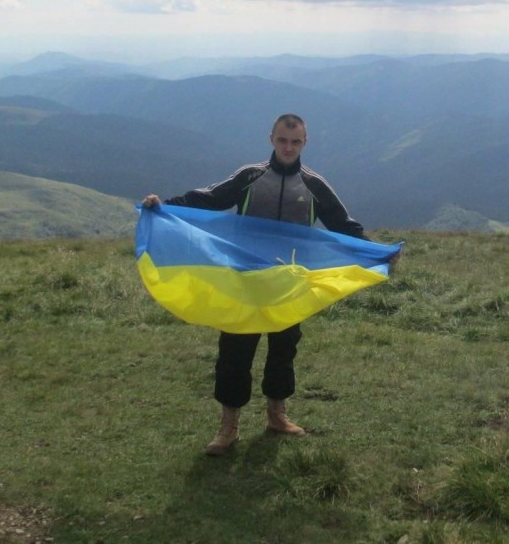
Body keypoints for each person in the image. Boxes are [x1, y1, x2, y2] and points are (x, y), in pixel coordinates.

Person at [142, 113, 371, 456]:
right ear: (272, 139)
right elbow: (209, 198)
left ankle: (277, 417)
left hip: (290, 282)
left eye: (295, 141)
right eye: (282, 140)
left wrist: (375, 251)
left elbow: (343, 225)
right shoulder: (250, 176)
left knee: (284, 349)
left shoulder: (315, 185)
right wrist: (164, 206)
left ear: (304, 143)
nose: (288, 147)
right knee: (234, 352)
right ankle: (228, 427)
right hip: (245, 280)